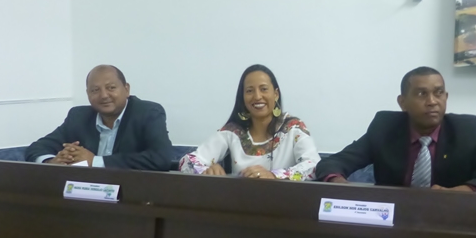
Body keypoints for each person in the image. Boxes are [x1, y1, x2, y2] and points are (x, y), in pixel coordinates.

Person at [316, 66, 476, 193]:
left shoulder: (467, 131)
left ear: (446, 97)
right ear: (402, 102)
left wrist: (464, 190)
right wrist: (339, 183)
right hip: (392, 221)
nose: (432, 101)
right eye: (422, 94)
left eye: (438, 93)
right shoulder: (384, 127)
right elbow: (332, 163)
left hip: (450, 222)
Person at [180, 65, 320, 180]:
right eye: (249, 91)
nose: (257, 96)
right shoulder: (233, 132)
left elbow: (313, 166)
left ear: (276, 94)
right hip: (240, 203)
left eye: (264, 89)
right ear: (243, 97)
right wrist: (206, 171)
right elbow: (187, 161)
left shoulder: (293, 128)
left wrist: (274, 175)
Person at [25, 65, 173, 171]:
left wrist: (95, 161)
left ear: (126, 89)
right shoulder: (79, 116)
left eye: (111, 88)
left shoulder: (147, 113)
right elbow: (36, 148)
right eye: (95, 90)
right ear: (88, 94)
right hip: (85, 194)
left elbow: (161, 158)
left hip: (131, 195)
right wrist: (52, 162)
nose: (103, 95)